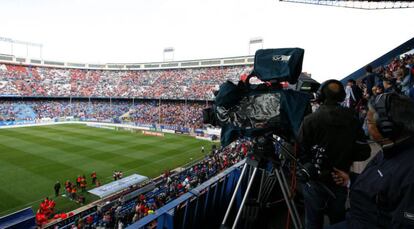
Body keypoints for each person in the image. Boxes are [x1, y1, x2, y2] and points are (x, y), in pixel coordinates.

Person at [328, 93, 414, 229]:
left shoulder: (409, 172)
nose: (365, 126)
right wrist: (351, 180)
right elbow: (384, 188)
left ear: (386, 127)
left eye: (368, 122)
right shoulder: (390, 148)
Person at [298, 79, 371, 229]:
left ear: (320, 96)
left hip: (315, 182)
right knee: (338, 219)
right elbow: (364, 152)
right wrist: (345, 156)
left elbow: (300, 152)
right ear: (341, 96)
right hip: (341, 179)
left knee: (312, 222)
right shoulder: (352, 118)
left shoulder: (310, 120)